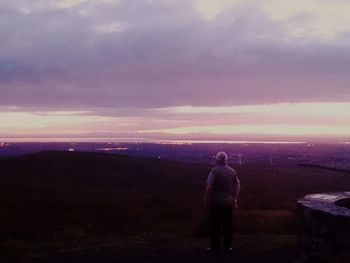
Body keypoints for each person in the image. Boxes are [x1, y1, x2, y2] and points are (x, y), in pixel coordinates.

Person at [204, 151, 240, 254]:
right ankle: (227, 247)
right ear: (226, 160)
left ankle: (215, 247)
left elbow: (209, 187)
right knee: (227, 225)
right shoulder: (232, 171)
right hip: (228, 203)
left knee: (215, 226)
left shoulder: (213, 171)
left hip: (216, 203)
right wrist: (235, 198)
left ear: (217, 160)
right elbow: (237, 185)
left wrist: (206, 198)